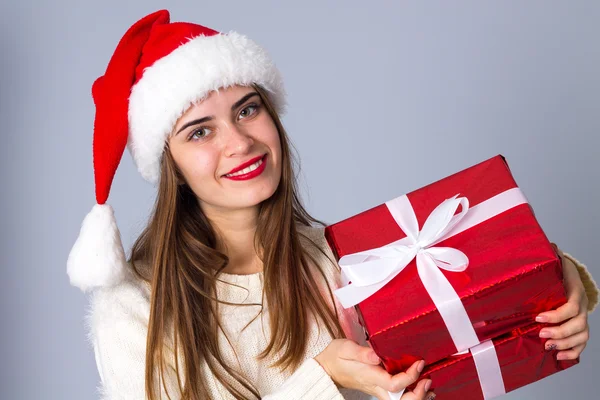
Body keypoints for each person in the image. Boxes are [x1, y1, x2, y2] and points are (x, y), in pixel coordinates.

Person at [66, 9, 599, 400]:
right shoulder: (138, 306)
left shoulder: (339, 255)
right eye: (200, 131)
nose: (239, 142)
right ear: (171, 167)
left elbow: (460, 305)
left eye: (247, 109)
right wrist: (324, 378)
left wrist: (558, 282)